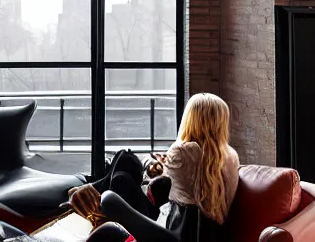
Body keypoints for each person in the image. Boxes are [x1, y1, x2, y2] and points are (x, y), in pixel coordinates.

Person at [68, 93, 240, 242]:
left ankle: (88, 190)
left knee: (119, 180)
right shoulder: (231, 155)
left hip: (172, 233)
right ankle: (90, 187)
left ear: (191, 119)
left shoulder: (184, 150)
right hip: (205, 233)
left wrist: (152, 165)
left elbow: (151, 183)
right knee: (124, 160)